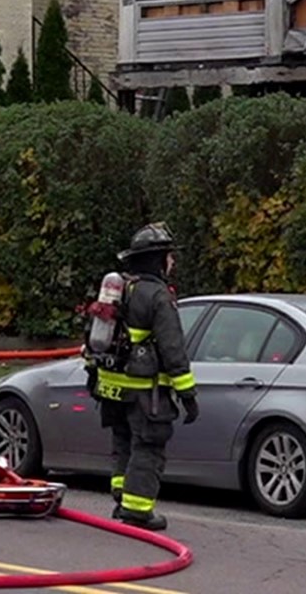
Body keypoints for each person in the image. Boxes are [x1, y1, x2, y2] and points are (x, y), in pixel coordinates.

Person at [88, 223, 198, 532]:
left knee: (123, 441)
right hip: (143, 391)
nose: (172, 262)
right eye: (169, 257)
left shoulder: (122, 289)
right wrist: (188, 395)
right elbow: (173, 349)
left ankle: (122, 497)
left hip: (112, 387)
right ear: (157, 260)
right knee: (149, 446)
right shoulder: (158, 296)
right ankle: (137, 510)